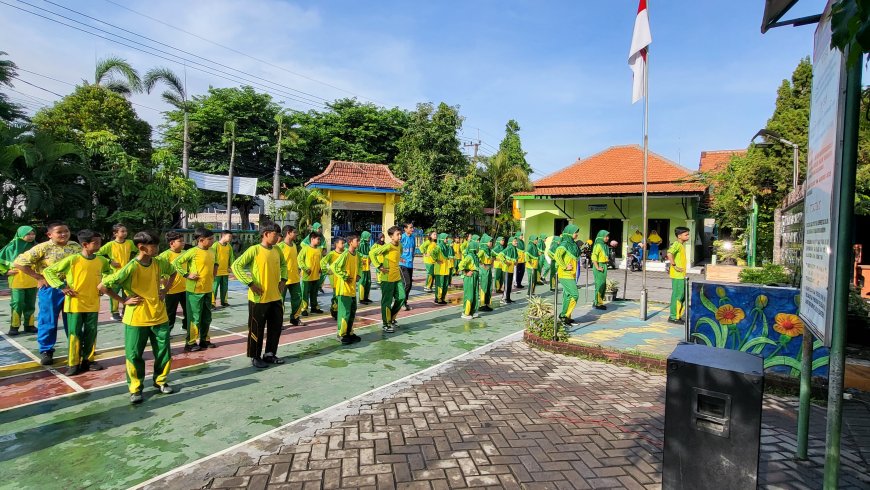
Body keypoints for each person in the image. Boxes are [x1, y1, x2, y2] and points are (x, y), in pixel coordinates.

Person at [100, 231, 176, 403]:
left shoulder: (158, 263)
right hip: (136, 318)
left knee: (164, 352)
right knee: (134, 354)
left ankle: (161, 381)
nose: (157, 249)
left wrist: (165, 290)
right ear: (142, 247)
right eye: (154, 246)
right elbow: (103, 286)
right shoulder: (131, 267)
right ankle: (135, 388)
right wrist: (123, 300)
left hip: (159, 315)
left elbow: (173, 272)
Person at [44, 230, 112, 375]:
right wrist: (61, 286)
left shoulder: (102, 260)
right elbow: (49, 271)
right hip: (75, 303)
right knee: (75, 333)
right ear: (85, 244)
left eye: (100, 242)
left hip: (93, 302)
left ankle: (88, 360)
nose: (99, 245)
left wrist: (103, 284)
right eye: (96, 243)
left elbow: (108, 272)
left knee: (91, 332)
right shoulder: (73, 259)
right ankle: (73, 363)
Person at [15, 221, 82, 365]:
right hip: (51, 289)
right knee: (48, 319)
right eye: (59, 232)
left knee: (72, 319)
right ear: (49, 234)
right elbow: (19, 263)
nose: (63, 234)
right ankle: (46, 350)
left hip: (71, 288)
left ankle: (75, 348)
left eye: (66, 231)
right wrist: (39, 277)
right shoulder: (43, 247)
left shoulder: (75, 246)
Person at [231, 223, 288, 368]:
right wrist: (250, 283)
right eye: (275, 235)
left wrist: (283, 279)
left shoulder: (277, 250)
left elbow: (283, 265)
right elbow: (236, 266)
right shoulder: (254, 250)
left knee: (275, 328)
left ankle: (269, 354)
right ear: (266, 234)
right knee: (256, 329)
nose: (277, 238)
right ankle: (255, 356)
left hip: (275, 297)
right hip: (259, 298)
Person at [174, 228, 217, 352]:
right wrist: (187, 274)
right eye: (210, 239)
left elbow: (215, 263)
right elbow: (177, 263)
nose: (212, 241)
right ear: (201, 240)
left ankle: (204, 340)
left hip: (208, 289)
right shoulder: (193, 251)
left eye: (213, 238)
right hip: (194, 290)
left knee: (207, 317)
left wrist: (213, 274)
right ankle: (190, 343)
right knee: (194, 317)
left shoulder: (213, 251)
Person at [0, 226, 37, 336]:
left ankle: (29, 325)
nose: (31, 236)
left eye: (33, 234)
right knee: (18, 303)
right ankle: (14, 326)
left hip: (32, 280)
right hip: (17, 280)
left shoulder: (37, 246)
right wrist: (5, 272)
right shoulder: (11, 247)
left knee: (30, 303)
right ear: (21, 234)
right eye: (28, 234)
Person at [369, 226, 406, 333]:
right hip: (387, 278)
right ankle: (386, 323)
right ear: (391, 236)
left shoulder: (400, 246)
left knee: (402, 297)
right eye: (397, 234)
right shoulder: (387, 246)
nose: (400, 236)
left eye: (400, 234)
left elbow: (400, 253)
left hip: (397, 277)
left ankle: (391, 318)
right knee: (387, 301)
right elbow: (372, 253)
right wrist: (379, 266)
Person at [97, 223, 135, 321]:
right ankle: (115, 312)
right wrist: (110, 261)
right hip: (115, 274)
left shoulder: (130, 243)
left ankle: (126, 310)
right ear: (115, 233)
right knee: (114, 293)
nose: (125, 233)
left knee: (128, 292)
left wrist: (134, 260)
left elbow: (140, 250)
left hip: (127, 273)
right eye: (122, 231)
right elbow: (97, 253)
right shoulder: (110, 244)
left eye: (125, 231)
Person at [331, 233, 362, 345]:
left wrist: (359, 274)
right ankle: (341, 334)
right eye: (357, 240)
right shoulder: (345, 254)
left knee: (352, 311)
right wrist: (344, 276)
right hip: (343, 289)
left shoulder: (357, 254)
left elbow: (360, 266)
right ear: (350, 242)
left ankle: (349, 332)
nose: (358, 242)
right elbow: (334, 266)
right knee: (344, 313)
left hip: (352, 289)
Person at [158, 231, 188, 331]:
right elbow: (161, 274)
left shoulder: (185, 253)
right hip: (170, 290)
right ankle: (167, 330)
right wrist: (165, 288)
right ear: (171, 243)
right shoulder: (164, 256)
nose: (183, 243)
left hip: (185, 288)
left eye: (183, 241)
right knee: (170, 312)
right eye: (180, 241)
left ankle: (186, 326)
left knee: (188, 310)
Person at [277, 225, 303, 326]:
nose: (296, 234)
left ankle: (295, 318)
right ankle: (279, 322)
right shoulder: (280, 246)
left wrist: (298, 269)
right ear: (288, 233)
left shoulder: (295, 245)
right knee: (280, 301)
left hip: (295, 278)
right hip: (283, 279)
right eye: (295, 232)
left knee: (297, 299)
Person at [555, 225, 581, 323]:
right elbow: (557, 256)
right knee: (575, 294)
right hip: (565, 274)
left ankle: (565, 316)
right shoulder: (565, 243)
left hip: (572, 274)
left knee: (568, 295)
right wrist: (565, 266)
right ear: (569, 233)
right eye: (575, 232)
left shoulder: (573, 244)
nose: (577, 234)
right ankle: (564, 315)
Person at [667, 227, 691, 324]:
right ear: (679, 236)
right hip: (677, 276)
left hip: (681, 275)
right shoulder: (676, 244)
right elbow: (669, 254)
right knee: (678, 295)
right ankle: (673, 317)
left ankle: (678, 315)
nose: (688, 236)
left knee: (682, 296)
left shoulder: (681, 245)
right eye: (686, 234)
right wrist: (674, 265)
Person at [298, 231, 324, 316]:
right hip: (307, 277)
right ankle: (304, 309)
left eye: (320, 239)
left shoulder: (318, 250)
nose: (319, 241)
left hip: (316, 276)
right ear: (312, 239)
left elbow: (320, 261)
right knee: (305, 293)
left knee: (314, 293)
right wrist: (305, 269)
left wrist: (320, 268)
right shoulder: (305, 249)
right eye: (318, 239)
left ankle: (314, 307)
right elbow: (299, 260)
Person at [320, 237, 345, 320]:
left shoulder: (345, 253)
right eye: (342, 243)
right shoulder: (331, 254)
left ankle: (342, 310)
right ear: (336, 244)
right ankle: (335, 310)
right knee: (336, 295)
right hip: (335, 279)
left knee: (343, 295)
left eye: (344, 243)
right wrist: (326, 271)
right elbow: (323, 262)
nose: (344, 244)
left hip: (343, 278)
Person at [211, 231, 235, 308]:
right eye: (229, 236)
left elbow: (231, 257)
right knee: (214, 288)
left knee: (224, 288)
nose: (231, 238)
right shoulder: (216, 245)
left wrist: (232, 267)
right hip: (216, 272)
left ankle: (224, 301)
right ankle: (212, 303)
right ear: (223, 236)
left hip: (225, 271)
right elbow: (212, 257)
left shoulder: (229, 246)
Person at [458, 240, 480, 320]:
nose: (478, 248)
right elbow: (461, 265)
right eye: (477, 246)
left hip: (475, 277)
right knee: (469, 294)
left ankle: (472, 311)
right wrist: (466, 272)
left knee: (475, 294)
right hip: (470, 278)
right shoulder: (469, 256)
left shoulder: (475, 256)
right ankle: (466, 312)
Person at [429, 233, 451, 305]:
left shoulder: (446, 247)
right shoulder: (438, 247)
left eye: (447, 238)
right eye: (446, 238)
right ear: (442, 239)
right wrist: (436, 260)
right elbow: (432, 253)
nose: (447, 240)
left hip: (446, 269)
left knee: (445, 284)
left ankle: (442, 298)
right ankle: (438, 298)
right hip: (439, 269)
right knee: (440, 285)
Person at [591, 230, 610, 310]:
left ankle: (598, 301)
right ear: (601, 237)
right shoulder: (598, 245)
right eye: (605, 236)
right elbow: (594, 257)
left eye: (608, 236)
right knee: (599, 285)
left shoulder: (604, 245)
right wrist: (597, 267)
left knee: (603, 285)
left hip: (604, 265)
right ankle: (598, 303)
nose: (607, 238)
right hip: (599, 265)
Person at [498, 236, 518, 304]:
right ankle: (503, 299)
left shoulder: (514, 249)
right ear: (511, 242)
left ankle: (508, 298)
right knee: (506, 285)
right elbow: (500, 254)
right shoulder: (509, 247)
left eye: (516, 241)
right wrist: (505, 262)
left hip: (511, 269)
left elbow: (515, 258)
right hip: (506, 269)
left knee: (509, 285)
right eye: (515, 241)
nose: (516, 242)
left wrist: (516, 262)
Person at [477, 234, 494, 311]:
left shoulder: (489, 250)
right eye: (489, 242)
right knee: (484, 286)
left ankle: (487, 303)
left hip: (489, 269)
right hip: (484, 270)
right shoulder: (482, 250)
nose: (491, 243)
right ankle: (482, 304)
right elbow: (476, 258)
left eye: (491, 242)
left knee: (489, 286)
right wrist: (481, 264)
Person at [400, 223, 415, 311]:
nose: (412, 229)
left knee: (409, 284)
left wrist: (412, 258)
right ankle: (401, 303)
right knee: (407, 283)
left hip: (410, 264)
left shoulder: (413, 237)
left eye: (412, 227)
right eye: (410, 228)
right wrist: (400, 258)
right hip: (402, 264)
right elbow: (397, 248)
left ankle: (404, 302)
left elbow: (412, 249)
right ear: (405, 229)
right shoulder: (402, 237)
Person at [357, 230, 373, 305]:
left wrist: (370, 258)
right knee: (362, 282)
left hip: (367, 266)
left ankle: (366, 297)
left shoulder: (367, 245)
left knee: (368, 282)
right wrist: (364, 257)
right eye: (368, 237)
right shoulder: (360, 244)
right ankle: (361, 298)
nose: (369, 238)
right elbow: (357, 253)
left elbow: (370, 253)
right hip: (362, 267)